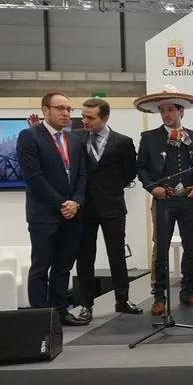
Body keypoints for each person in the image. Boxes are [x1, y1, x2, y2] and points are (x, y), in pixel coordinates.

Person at [16, 92, 89, 326]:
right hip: (44, 215)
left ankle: (59, 311)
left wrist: (75, 202)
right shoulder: (29, 137)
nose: (66, 113)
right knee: (41, 266)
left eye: (69, 109)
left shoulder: (75, 141)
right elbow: (34, 178)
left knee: (63, 266)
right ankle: (40, 319)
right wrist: (61, 204)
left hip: (72, 214)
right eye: (60, 108)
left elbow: (82, 176)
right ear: (45, 110)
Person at [134, 85, 193, 315]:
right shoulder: (149, 137)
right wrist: (152, 188)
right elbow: (141, 168)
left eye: (170, 110)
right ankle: (159, 295)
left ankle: (188, 291)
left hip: (188, 200)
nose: (166, 114)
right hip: (164, 200)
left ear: (181, 112)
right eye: (162, 110)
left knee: (191, 246)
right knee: (162, 247)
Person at [73, 98, 142, 320]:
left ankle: (122, 300)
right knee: (85, 257)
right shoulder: (76, 138)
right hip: (84, 207)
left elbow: (130, 172)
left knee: (117, 255)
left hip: (112, 205)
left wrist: (110, 189)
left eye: (90, 117)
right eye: (83, 116)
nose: (85, 121)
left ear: (105, 118)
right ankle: (85, 305)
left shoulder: (123, 142)